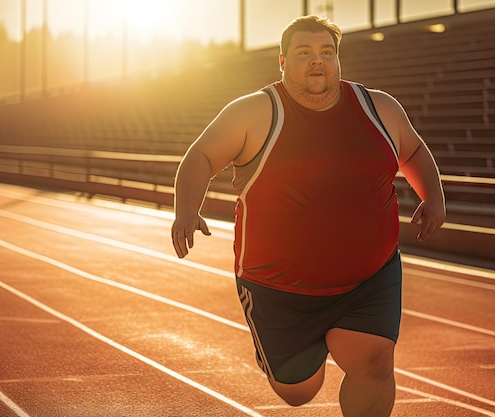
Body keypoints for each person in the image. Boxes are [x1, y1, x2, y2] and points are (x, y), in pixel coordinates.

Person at [171, 15, 446, 417]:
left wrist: (433, 197)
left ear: (338, 60)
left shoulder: (379, 108)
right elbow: (201, 156)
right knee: (299, 390)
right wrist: (186, 209)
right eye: (304, 53)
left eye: (326, 52)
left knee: (373, 363)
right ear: (282, 62)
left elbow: (414, 151)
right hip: (278, 288)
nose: (317, 61)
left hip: (369, 278)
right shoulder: (254, 113)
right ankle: (289, 361)